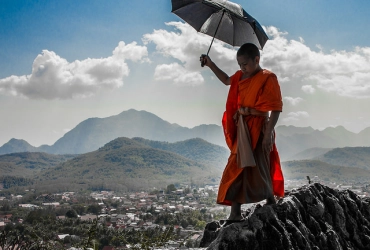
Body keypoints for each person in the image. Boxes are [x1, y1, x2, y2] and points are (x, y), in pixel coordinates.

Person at [200, 43, 284, 223]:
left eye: (245, 64)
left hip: (260, 127)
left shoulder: (268, 78)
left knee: (261, 164)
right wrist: (210, 63)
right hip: (244, 128)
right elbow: (226, 80)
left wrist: (268, 134)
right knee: (237, 166)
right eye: (239, 65)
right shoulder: (240, 76)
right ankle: (236, 212)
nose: (242, 68)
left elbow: (276, 108)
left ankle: (269, 199)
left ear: (256, 59)